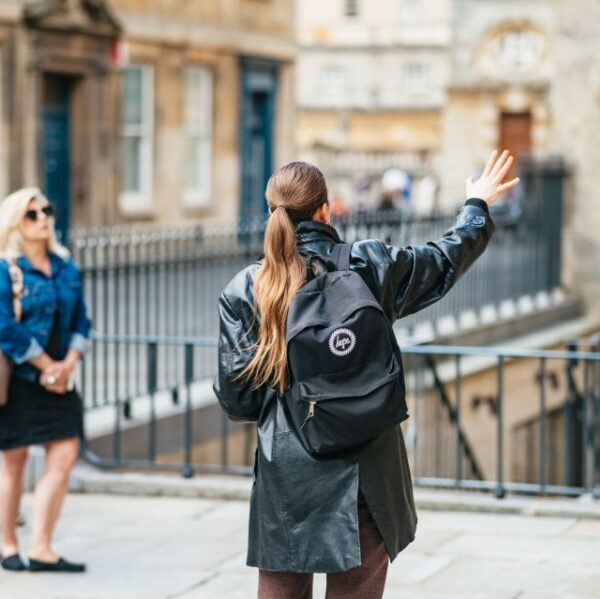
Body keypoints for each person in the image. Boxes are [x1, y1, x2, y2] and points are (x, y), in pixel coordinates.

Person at [214, 151, 518, 598]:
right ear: (324, 209)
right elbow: (441, 263)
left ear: (272, 212)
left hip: (288, 472)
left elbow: (237, 400)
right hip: (367, 468)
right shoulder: (367, 265)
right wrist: (476, 206)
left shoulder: (246, 288)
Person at [0, 187, 91, 573]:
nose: (43, 217)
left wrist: (68, 364)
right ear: (15, 222)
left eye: (47, 209)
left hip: (61, 379)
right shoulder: (2, 270)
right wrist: (47, 366)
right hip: (17, 380)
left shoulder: (65, 266)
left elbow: (82, 320)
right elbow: (4, 329)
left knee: (63, 455)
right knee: (14, 461)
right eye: (32, 214)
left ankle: (42, 547)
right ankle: (8, 544)